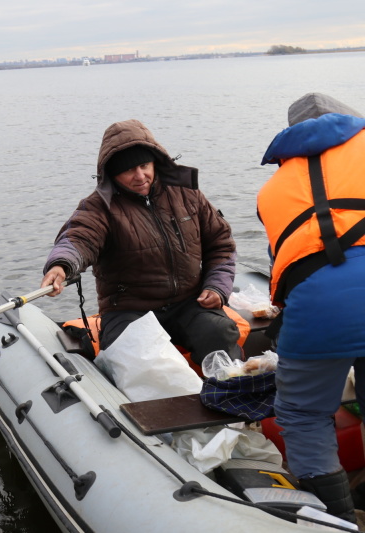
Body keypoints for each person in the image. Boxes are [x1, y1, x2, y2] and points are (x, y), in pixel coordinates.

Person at [41, 119, 241, 365]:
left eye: (145, 165)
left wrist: (217, 287)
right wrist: (61, 265)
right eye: (128, 170)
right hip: (128, 309)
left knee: (219, 332)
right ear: (112, 174)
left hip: (189, 302)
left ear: (156, 162)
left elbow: (221, 244)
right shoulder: (98, 207)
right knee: (134, 353)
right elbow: (79, 238)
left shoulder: (187, 194)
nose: (140, 176)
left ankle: (226, 391)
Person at [257, 93, 365, 524]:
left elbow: (283, 269)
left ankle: (337, 520)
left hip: (320, 308)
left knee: (302, 414)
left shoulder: (272, 191)